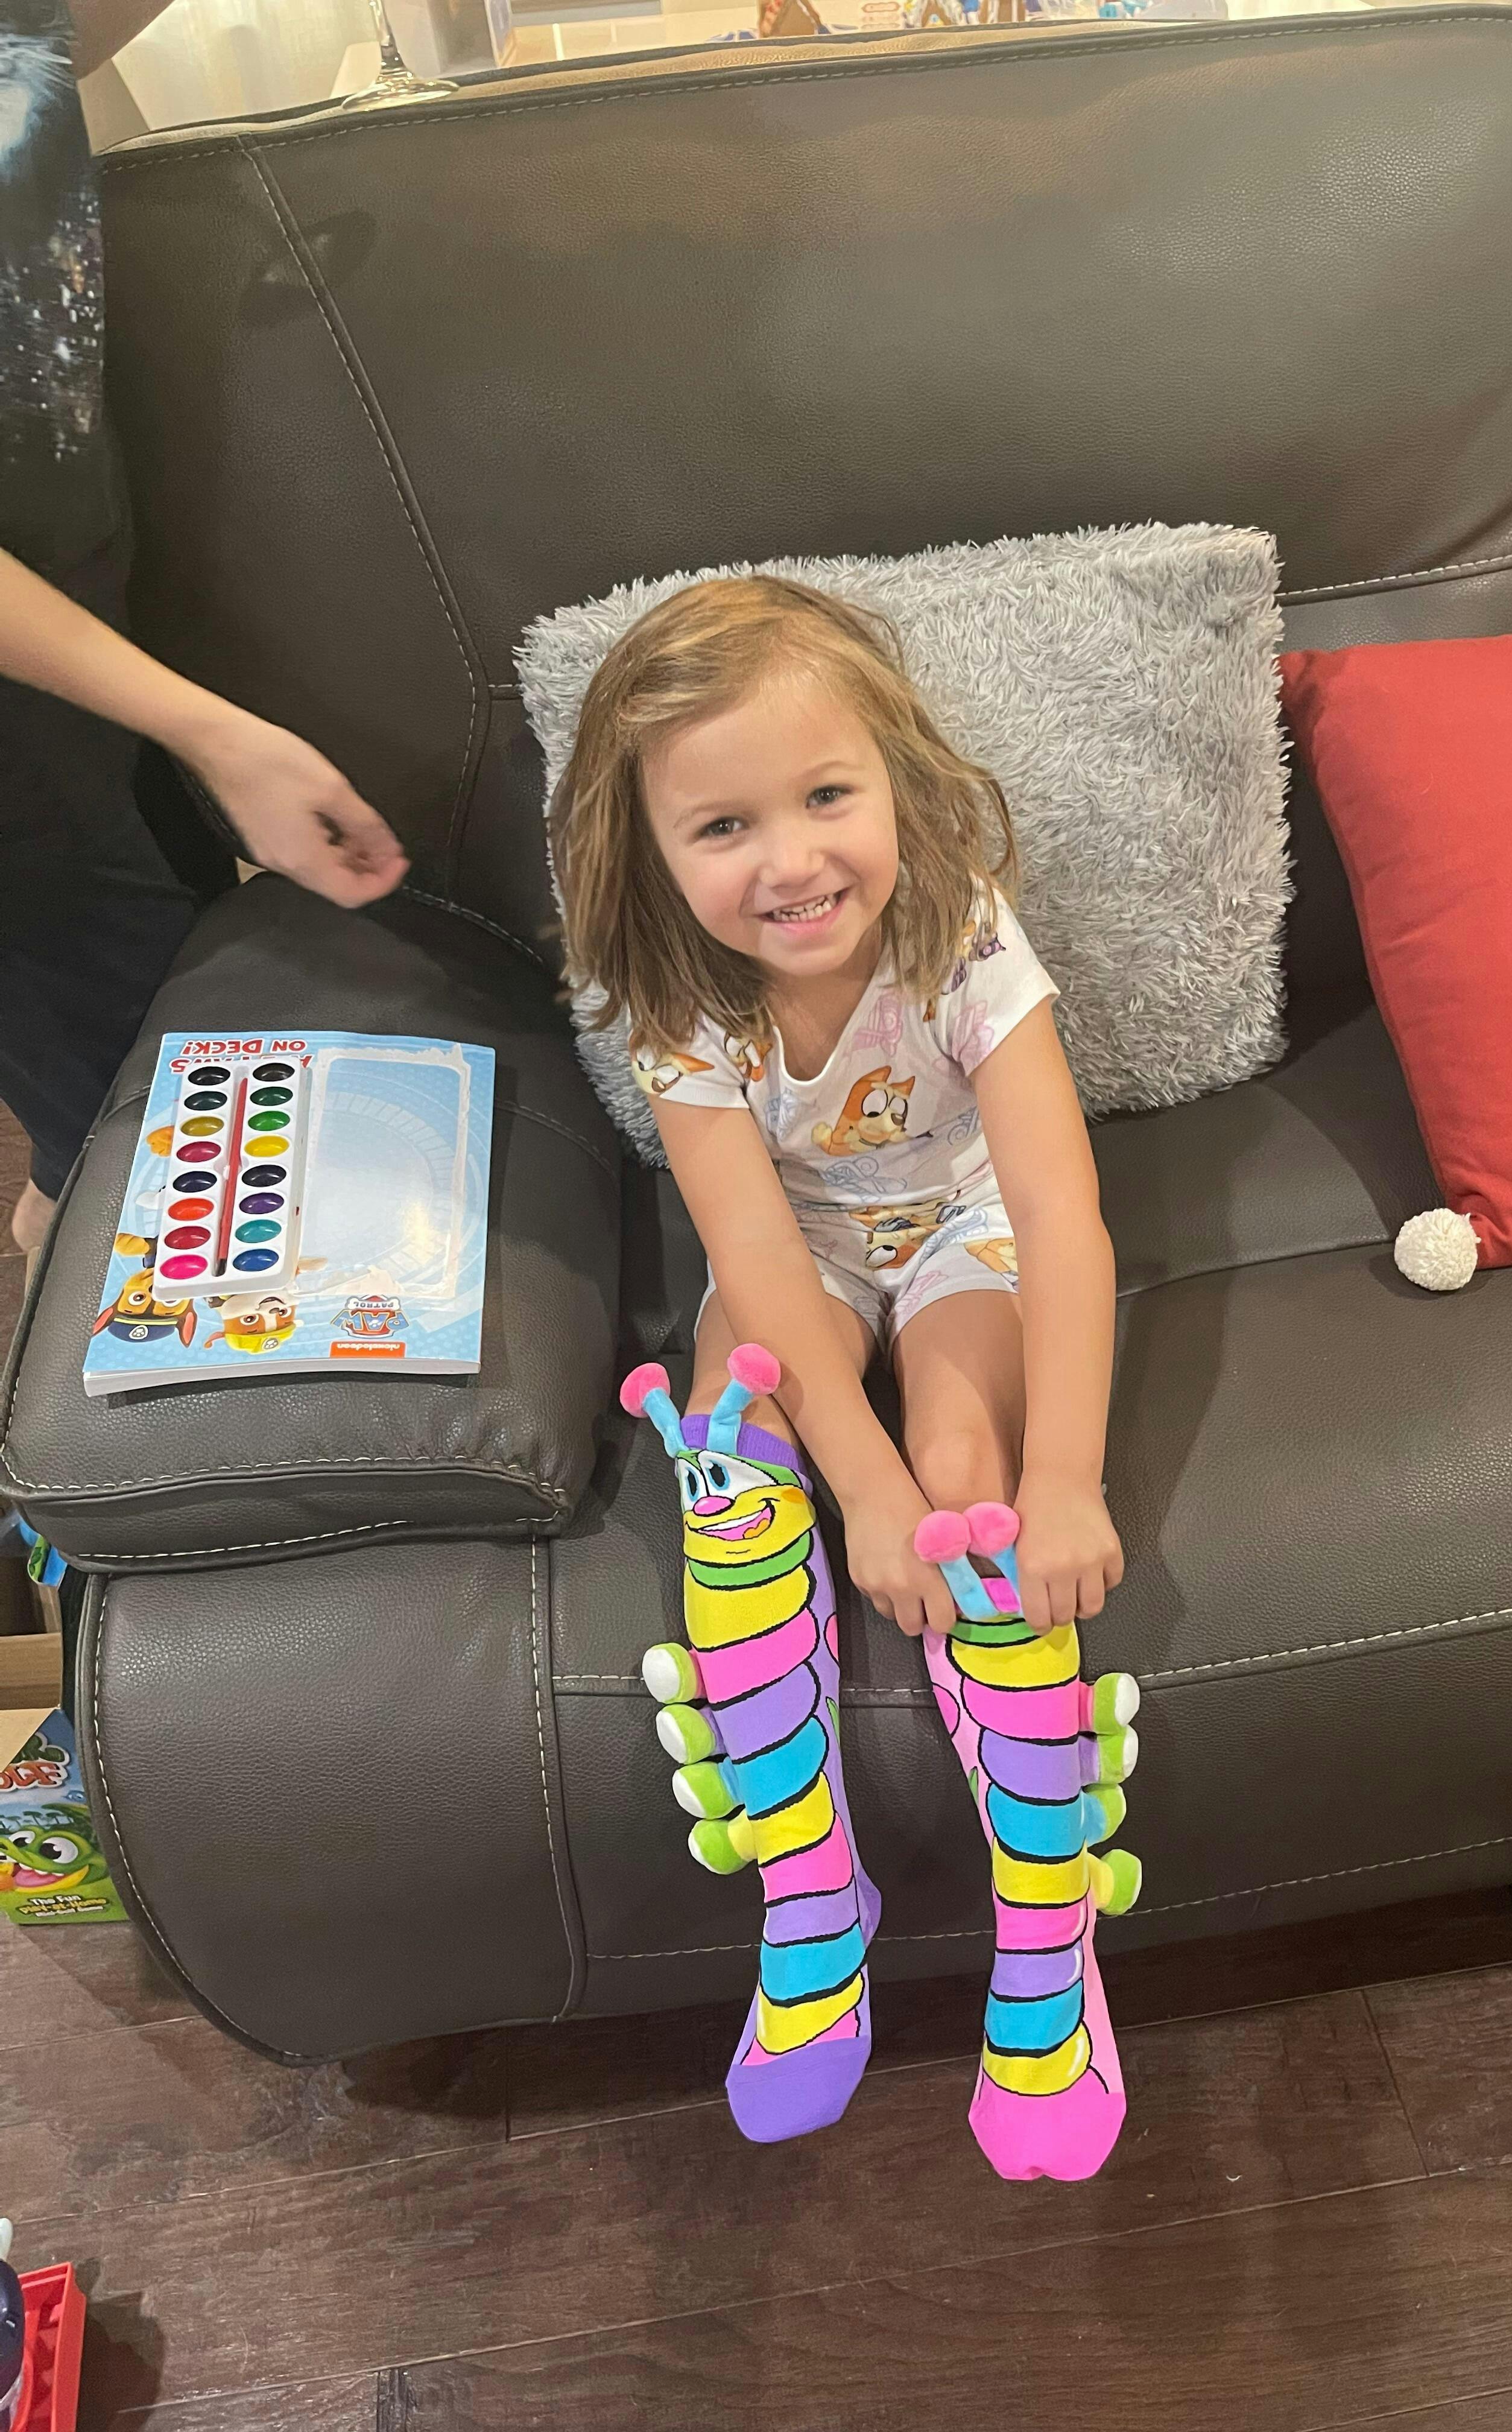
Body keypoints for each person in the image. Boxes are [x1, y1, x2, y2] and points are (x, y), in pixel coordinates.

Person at [555, 576, 1139, 2183]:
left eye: (827, 796)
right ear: (649, 851)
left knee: (970, 1480)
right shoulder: (681, 999)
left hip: (966, 1226)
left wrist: (1063, 1476)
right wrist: (854, 1496)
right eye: (723, 826)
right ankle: (813, 1898)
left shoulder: (963, 937)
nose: (793, 860)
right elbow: (750, 1252)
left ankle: (1051, 1925)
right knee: (731, 1468)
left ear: (898, 780)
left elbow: (1059, 1214)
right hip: (799, 1249)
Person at [1, 0, 406, 1257]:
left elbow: (44, 41)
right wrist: (213, 734)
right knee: (128, 1105)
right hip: (23, 759)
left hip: (78, 611)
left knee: (142, 1052)